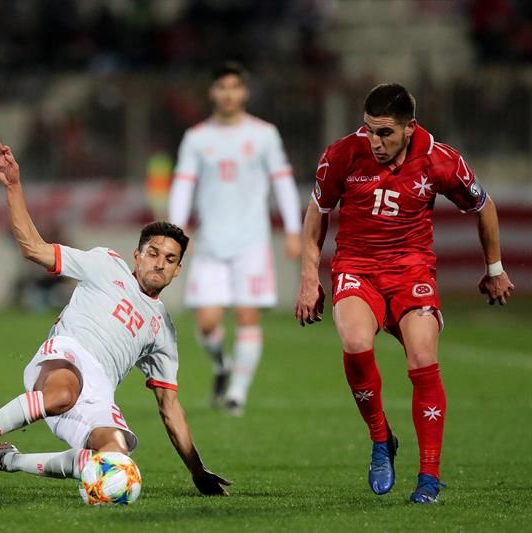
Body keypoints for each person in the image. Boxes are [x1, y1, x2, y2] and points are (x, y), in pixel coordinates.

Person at [0, 139, 231, 497]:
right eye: (153, 253)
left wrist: (196, 469)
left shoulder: (163, 332)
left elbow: (169, 407)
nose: (159, 262)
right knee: (63, 392)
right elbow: (34, 248)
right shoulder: (105, 264)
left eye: (169, 259)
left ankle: (7, 461)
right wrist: (14, 187)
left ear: (176, 271)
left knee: (115, 457)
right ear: (136, 256)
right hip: (65, 357)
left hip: (98, 393)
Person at [294, 83, 514, 504]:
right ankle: (381, 439)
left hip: (411, 271)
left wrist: (495, 268)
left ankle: (428, 477)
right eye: (369, 130)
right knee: (356, 342)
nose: (374, 142)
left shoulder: (440, 159)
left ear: (410, 128)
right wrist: (309, 277)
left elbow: (482, 205)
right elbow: (317, 213)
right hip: (357, 267)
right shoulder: (341, 154)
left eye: (385, 133)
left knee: (423, 357)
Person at [168, 61, 302, 415]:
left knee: (247, 317)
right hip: (211, 242)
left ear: (244, 91)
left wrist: (293, 229)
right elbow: (183, 186)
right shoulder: (197, 137)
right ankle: (223, 367)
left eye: (234, 87)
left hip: (251, 243)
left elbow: (283, 182)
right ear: (213, 92)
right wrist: (175, 233)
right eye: (221, 87)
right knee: (208, 322)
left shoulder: (264, 134)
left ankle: (237, 393)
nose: (228, 94)